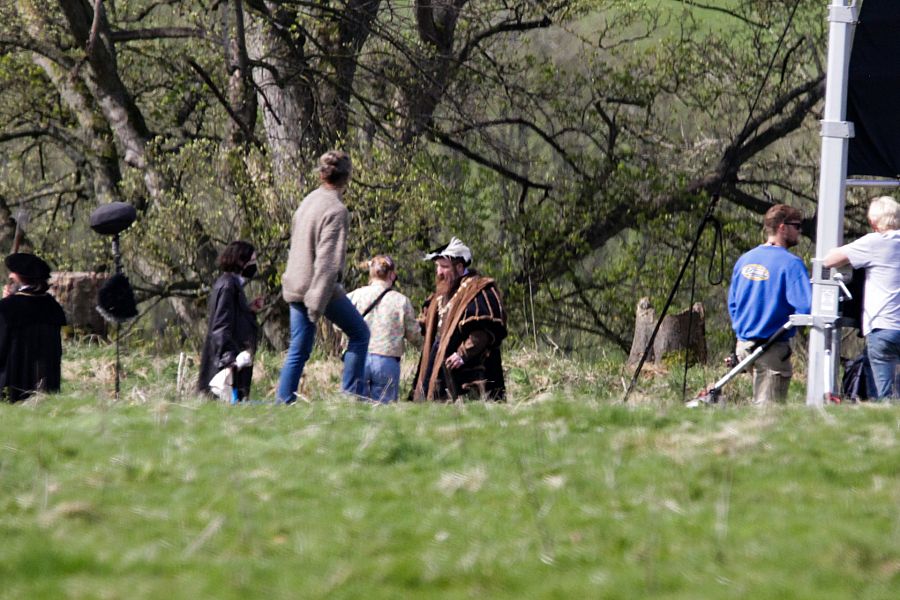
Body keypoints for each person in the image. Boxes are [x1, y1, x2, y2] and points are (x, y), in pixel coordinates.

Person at [277, 150, 369, 403]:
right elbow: (328, 264)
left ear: (322, 175)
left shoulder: (308, 200)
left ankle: (283, 401)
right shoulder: (337, 210)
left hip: (295, 283)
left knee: (299, 348)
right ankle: (351, 397)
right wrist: (316, 304)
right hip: (317, 288)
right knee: (360, 334)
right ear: (347, 178)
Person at [727, 204, 811, 405]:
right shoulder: (791, 264)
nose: (800, 231)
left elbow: (733, 303)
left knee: (757, 403)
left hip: (744, 345)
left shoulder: (745, 259)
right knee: (768, 414)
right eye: (797, 226)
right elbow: (806, 307)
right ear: (782, 227)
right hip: (771, 348)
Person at [824, 196, 900, 400]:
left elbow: (830, 260)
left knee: (884, 395)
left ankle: (887, 429)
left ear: (873, 223)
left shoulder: (874, 242)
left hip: (883, 327)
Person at [412, 237, 507, 401]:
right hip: (437, 359)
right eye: (438, 266)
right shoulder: (442, 292)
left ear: (460, 267)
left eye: (444, 267)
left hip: (466, 368)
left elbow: (483, 331)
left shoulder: (478, 291)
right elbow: (430, 323)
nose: (439, 272)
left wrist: (462, 354)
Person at [347, 255, 422, 403]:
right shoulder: (401, 301)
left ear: (371, 273)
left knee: (355, 413)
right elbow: (414, 334)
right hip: (387, 360)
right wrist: (425, 347)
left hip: (358, 358)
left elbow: (338, 322)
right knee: (383, 415)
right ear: (392, 274)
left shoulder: (355, 296)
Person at [198, 241, 262, 401]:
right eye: (252, 262)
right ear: (240, 261)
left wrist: (248, 310)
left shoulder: (232, 284)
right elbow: (220, 327)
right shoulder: (228, 286)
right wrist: (231, 361)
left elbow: (231, 317)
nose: (254, 266)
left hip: (234, 358)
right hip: (228, 363)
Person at [0, 253, 66, 402]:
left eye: (13, 273)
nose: (10, 276)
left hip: (13, 388)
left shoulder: (7, 308)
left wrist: (6, 303)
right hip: (47, 386)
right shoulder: (52, 306)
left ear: (20, 277)